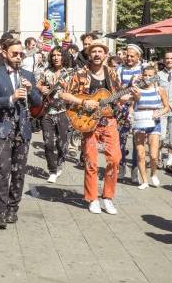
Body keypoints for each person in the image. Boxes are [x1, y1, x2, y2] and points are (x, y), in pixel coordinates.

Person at [61, 39, 130, 215]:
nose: (97, 54)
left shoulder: (112, 74)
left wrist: (132, 96)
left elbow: (119, 97)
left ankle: (108, 197)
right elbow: (64, 94)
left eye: (100, 51)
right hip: (89, 122)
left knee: (115, 159)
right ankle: (92, 198)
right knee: (91, 161)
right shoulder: (80, 74)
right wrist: (84, 102)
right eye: (94, 51)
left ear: (105, 54)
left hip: (109, 120)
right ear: (89, 54)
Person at [0, 38, 42, 229]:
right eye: (14, 54)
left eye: (21, 54)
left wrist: (31, 90)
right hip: (2, 127)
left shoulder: (28, 75)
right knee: (2, 171)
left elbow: (38, 102)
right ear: (4, 53)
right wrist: (11, 98)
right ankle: (0, 212)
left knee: (19, 172)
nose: (18, 57)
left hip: (23, 128)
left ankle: (12, 208)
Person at [131, 64, 171, 189]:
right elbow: (131, 107)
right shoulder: (137, 89)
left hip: (154, 123)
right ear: (142, 76)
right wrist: (130, 115)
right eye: (145, 75)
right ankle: (144, 181)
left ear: (155, 77)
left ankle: (153, 173)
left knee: (153, 155)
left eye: (150, 75)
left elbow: (167, 107)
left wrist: (159, 113)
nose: (147, 78)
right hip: (140, 122)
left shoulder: (159, 90)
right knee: (140, 153)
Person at [38, 47, 72, 183]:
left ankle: (60, 163)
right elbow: (38, 85)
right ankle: (52, 170)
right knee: (48, 143)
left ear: (64, 57)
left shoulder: (69, 73)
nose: (56, 58)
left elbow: (74, 92)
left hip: (63, 112)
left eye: (59, 55)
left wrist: (65, 87)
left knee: (62, 144)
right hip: (47, 112)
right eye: (53, 55)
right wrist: (41, 88)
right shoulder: (46, 71)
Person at [116, 44, 144, 183]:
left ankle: (135, 169)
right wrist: (128, 85)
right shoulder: (120, 69)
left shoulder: (144, 69)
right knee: (121, 139)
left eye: (132, 56)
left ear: (138, 57)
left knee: (137, 141)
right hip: (123, 108)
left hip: (139, 108)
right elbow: (117, 89)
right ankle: (121, 167)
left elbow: (151, 87)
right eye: (127, 55)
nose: (129, 58)